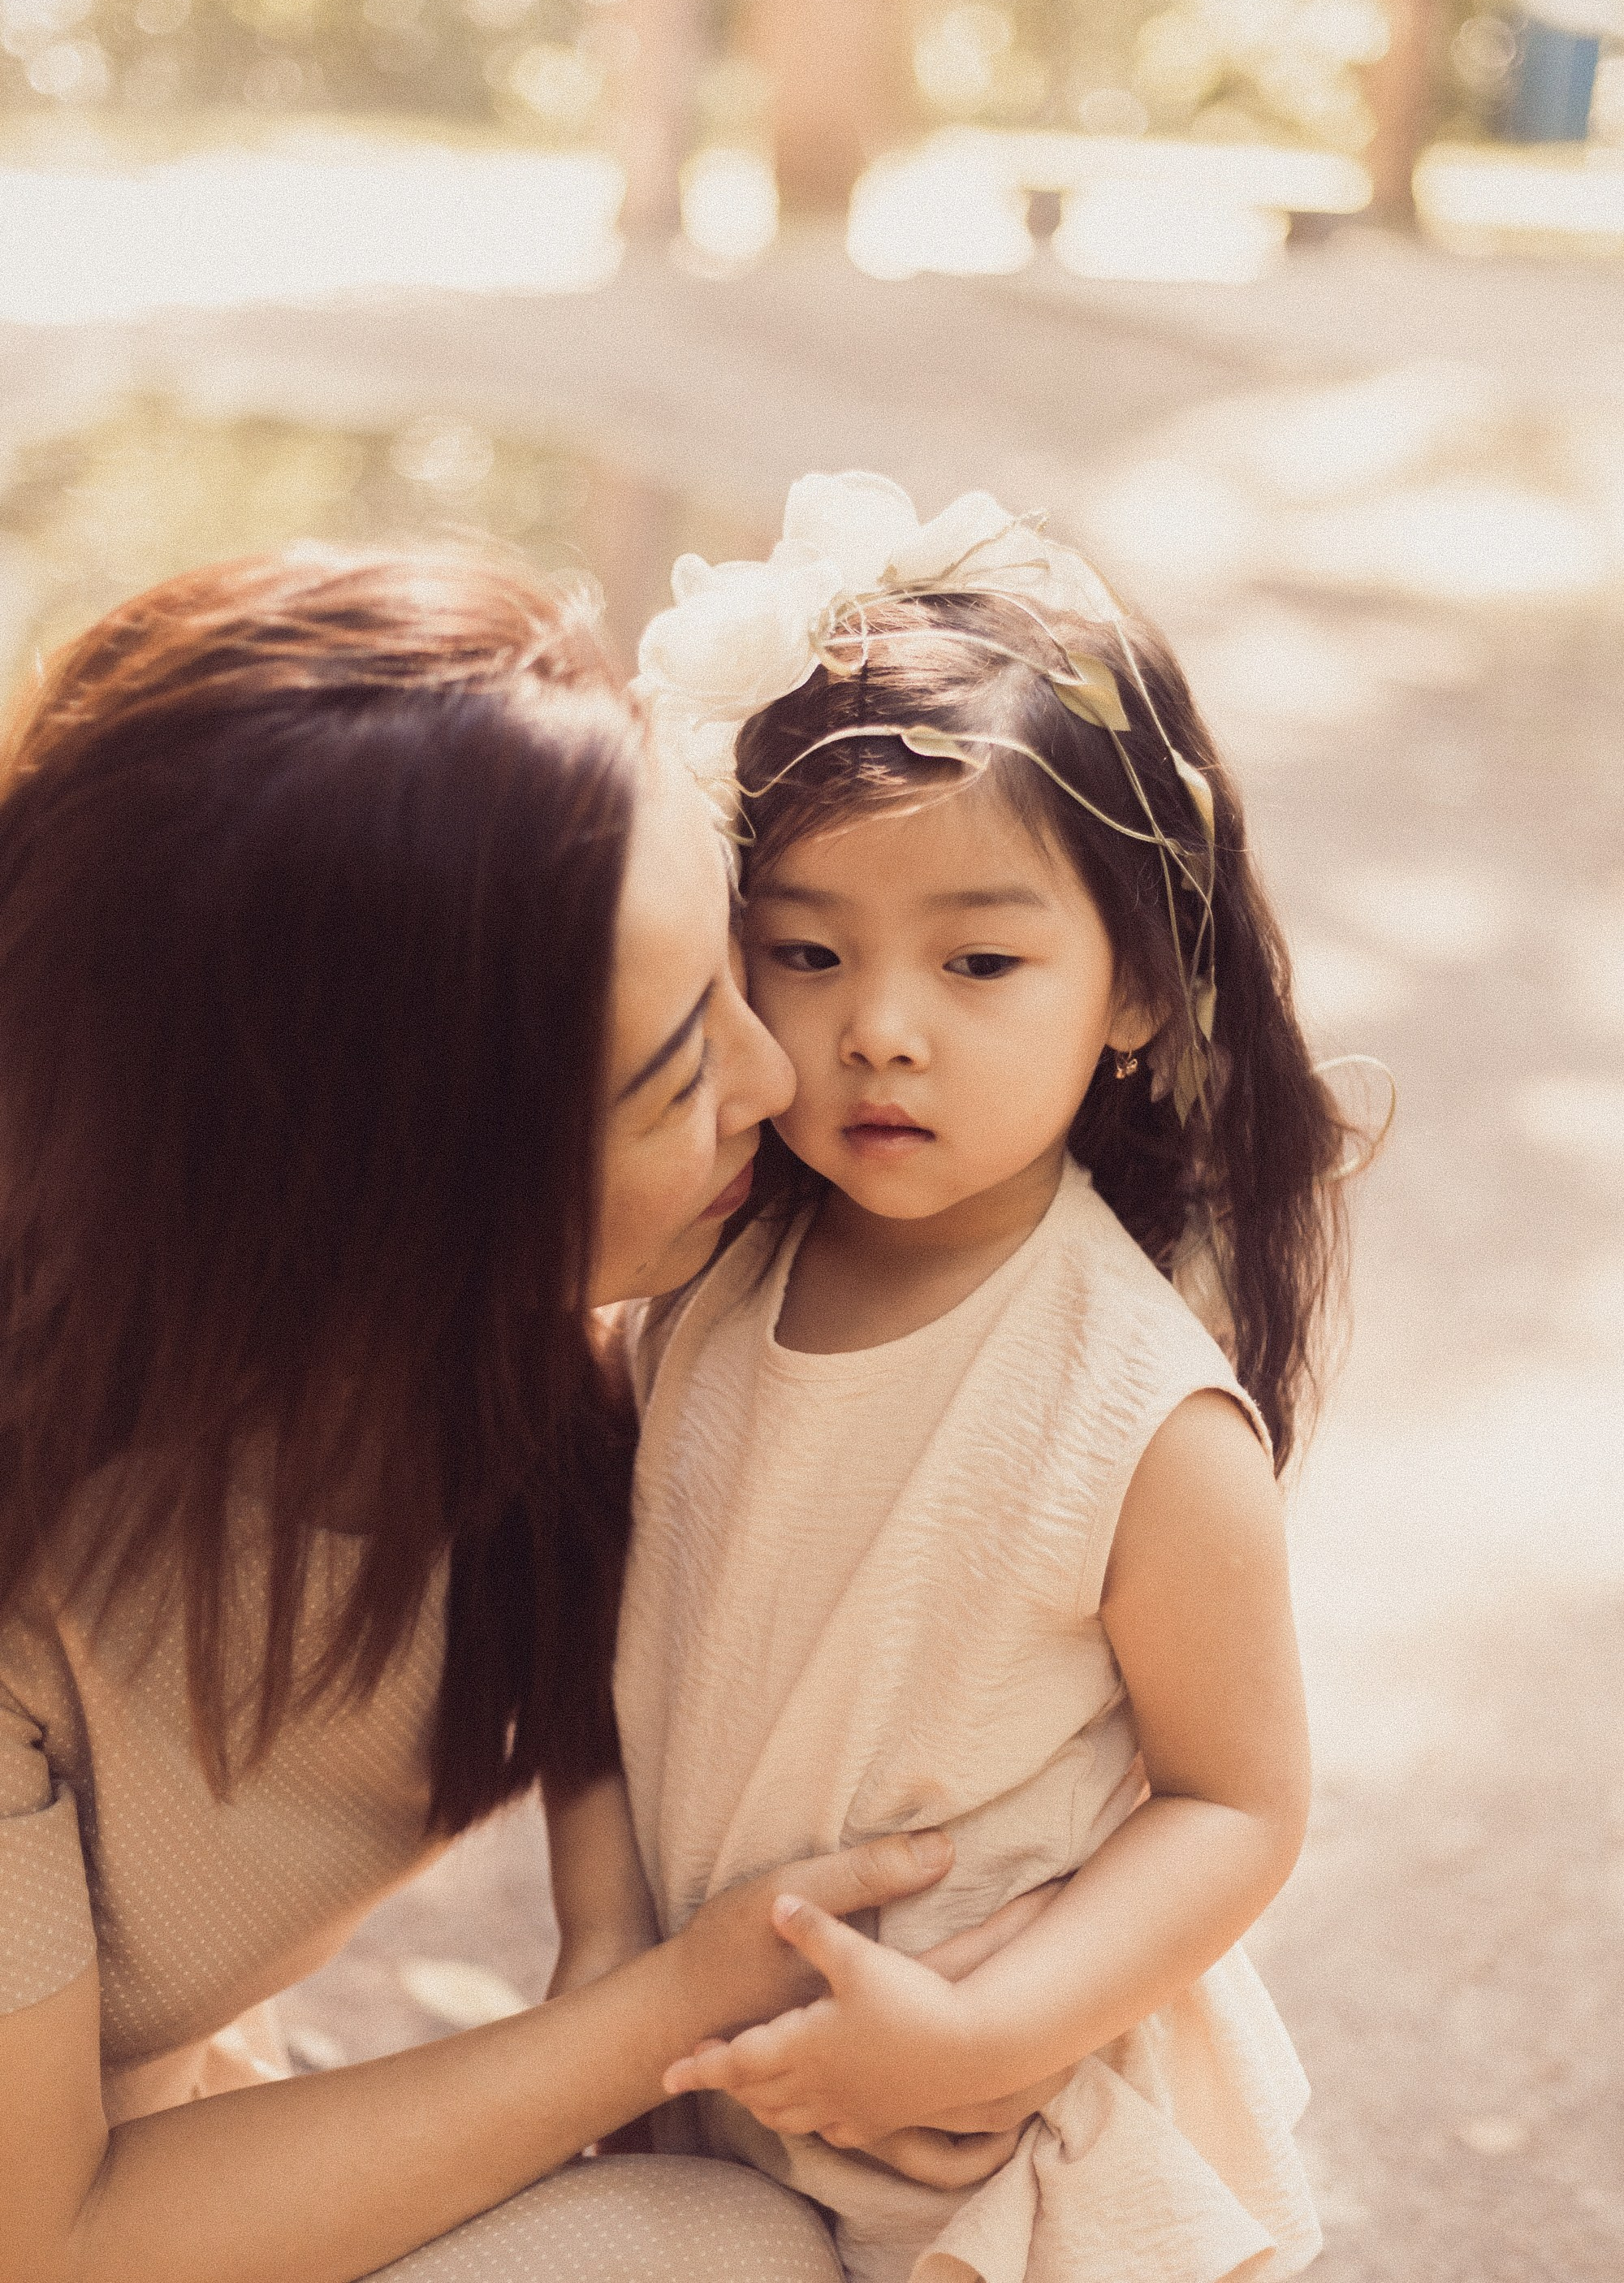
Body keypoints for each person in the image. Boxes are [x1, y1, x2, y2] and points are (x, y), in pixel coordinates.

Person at [0, 544, 1034, 2283]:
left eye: (736, 972)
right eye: (674, 1072)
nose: (779, 1082)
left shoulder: (526, 1356)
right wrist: (663, 2017)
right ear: (393, 1186)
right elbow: (44, 2238)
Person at [572, 473, 1355, 2283]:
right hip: (716, 2090)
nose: (882, 1026)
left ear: (1138, 993)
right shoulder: (696, 1287)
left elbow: (1236, 1799)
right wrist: (598, 1941)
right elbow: (592, 1646)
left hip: (1002, 2152)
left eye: (981, 959)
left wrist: (984, 2038)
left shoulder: (1135, 1413)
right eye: (806, 952)